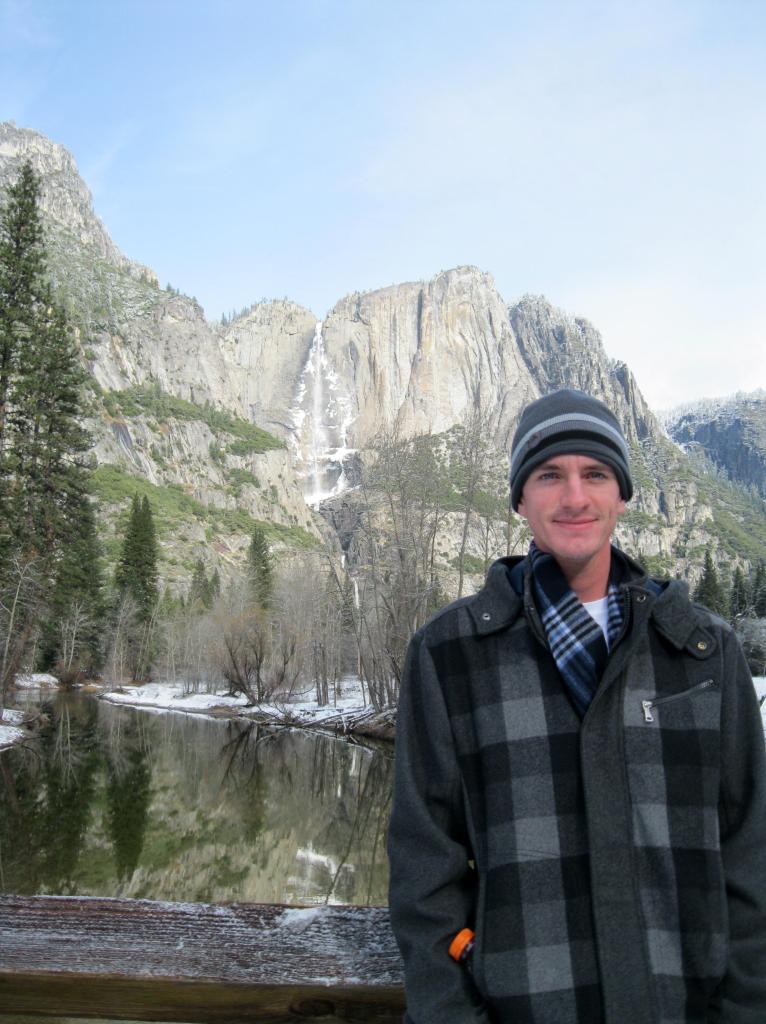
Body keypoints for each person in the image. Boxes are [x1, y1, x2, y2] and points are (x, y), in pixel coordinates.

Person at [387, 388, 766, 1024]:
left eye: (595, 474)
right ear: (519, 498)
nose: (574, 497)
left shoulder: (704, 652)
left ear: (621, 495)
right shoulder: (449, 655)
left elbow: (751, 858)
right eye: (548, 476)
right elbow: (425, 877)